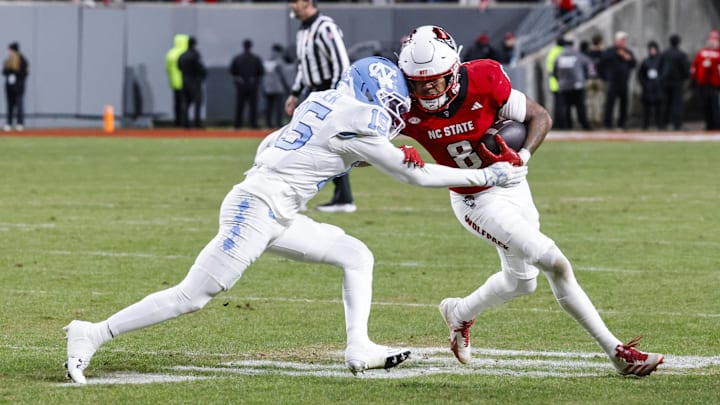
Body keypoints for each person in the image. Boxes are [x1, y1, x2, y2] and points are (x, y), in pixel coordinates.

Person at [63, 56, 527, 384]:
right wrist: (488, 172)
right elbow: (417, 176)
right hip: (257, 209)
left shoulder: (323, 99)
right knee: (193, 295)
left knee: (355, 255)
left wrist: (358, 158)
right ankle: (94, 332)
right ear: (373, 95)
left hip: (273, 206)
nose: (395, 115)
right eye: (392, 104)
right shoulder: (359, 119)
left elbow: (280, 144)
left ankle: (359, 347)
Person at [397, 25, 664, 377]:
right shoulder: (402, 102)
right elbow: (365, 145)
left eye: (435, 80)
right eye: (418, 82)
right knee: (554, 261)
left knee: (523, 282)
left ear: (454, 70)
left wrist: (521, 157)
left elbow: (539, 116)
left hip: (512, 182)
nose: (426, 89)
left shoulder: (485, 77)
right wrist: (395, 155)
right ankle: (617, 352)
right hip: (475, 199)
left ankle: (459, 312)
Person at [285, 0, 354, 213]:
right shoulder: (303, 30)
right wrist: (295, 93)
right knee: (301, 143)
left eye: (295, 1)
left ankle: (342, 198)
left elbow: (342, 64)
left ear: (307, 2)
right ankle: (309, 195)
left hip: (327, 91)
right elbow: (303, 66)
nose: (292, 6)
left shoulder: (325, 27)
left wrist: (334, 97)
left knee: (327, 145)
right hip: (312, 92)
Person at [552, 35, 593, 130]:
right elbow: (590, 65)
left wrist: (560, 80)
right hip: (577, 85)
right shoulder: (577, 55)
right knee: (580, 107)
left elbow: (554, 72)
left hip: (564, 86)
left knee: (566, 108)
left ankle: (568, 127)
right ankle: (584, 126)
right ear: (573, 44)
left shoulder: (559, 56)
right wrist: (586, 77)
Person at [598, 31, 636, 130]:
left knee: (624, 104)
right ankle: (608, 124)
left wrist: (626, 57)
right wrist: (617, 53)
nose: (624, 42)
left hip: (624, 82)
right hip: (612, 81)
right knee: (610, 104)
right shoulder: (610, 51)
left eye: (625, 40)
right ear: (617, 41)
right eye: (622, 40)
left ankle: (622, 124)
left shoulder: (628, 52)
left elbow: (634, 63)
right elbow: (602, 62)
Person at [229, 39, 265, 129]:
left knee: (240, 105)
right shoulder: (256, 58)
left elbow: (232, 72)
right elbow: (261, 72)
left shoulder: (238, 58)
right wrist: (255, 80)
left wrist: (238, 80)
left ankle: (237, 125)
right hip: (253, 85)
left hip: (241, 86)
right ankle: (253, 124)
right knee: (253, 106)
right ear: (251, 47)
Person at [659, 34, 690, 131]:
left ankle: (663, 123)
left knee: (666, 103)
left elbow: (660, 67)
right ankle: (677, 124)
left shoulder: (664, 53)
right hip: (677, 82)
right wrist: (684, 77)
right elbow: (685, 69)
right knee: (677, 104)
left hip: (665, 82)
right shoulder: (681, 54)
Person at [690, 29, 720, 130]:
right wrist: (694, 79)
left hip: (715, 85)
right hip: (703, 84)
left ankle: (716, 126)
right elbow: (695, 67)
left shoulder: (718, 53)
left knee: (714, 106)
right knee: (706, 106)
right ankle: (709, 125)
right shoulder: (702, 53)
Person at [178, 36, 206, 129]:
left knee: (186, 103)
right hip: (194, 81)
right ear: (195, 44)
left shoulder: (182, 55)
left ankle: (185, 124)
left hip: (184, 81)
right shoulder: (195, 54)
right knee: (197, 102)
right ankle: (197, 123)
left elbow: (179, 67)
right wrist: (202, 75)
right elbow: (199, 67)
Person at [261, 44, 290, 128]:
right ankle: (278, 123)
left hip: (268, 88)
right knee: (278, 107)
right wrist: (287, 87)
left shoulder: (266, 62)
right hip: (278, 88)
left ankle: (268, 124)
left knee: (268, 107)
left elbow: (263, 76)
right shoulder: (279, 62)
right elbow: (282, 76)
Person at [637, 41, 664, 130]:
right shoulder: (645, 61)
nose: (652, 51)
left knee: (659, 109)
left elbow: (664, 73)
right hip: (648, 88)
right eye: (650, 49)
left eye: (653, 49)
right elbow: (640, 75)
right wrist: (645, 84)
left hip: (657, 88)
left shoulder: (660, 61)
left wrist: (659, 81)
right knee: (646, 109)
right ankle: (645, 125)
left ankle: (660, 125)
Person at [2, 42, 29, 132]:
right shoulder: (8, 60)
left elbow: (25, 73)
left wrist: (15, 72)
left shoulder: (23, 60)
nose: (9, 52)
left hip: (18, 86)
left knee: (19, 105)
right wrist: (9, 71)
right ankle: (9, 123)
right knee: (10, 105)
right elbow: (4, 72)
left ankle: (19, 123)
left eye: (10, 50)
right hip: (9, 87)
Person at [165, 34, 189, 128]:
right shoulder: (186, 53)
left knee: (177, 103)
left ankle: (177, 122)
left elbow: (167, 68)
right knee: (186, 103)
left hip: (174, 82)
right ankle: (185, 122)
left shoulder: (171, 53)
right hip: (185, 81)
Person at [584, 33, 605, 129]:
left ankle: (590, 121)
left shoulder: (588, 53)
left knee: (590, 101)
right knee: (599, 101)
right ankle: (598, 120)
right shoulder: (603, 53)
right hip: (599, 78)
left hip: (589, 78)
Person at [545, 37, 567, 129]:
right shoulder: (562, 52)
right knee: (563, 105)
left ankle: (558, 124)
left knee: (557, 105)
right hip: (562, 82)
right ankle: (562, 124)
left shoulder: (552, 52)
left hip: (553, 83)